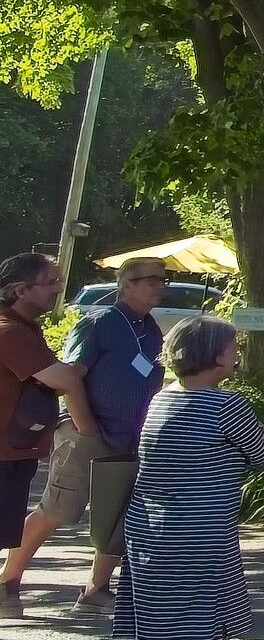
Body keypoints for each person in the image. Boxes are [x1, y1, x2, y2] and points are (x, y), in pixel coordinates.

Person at [115, 317, 264, 640]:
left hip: (147, 531)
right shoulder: (227, 407)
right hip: (202, 534)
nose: (236, 352)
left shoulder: (160, 401)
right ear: (216, 356)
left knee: (156, 634)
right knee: (208, 631)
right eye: (232, 346)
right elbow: (260, 455)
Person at [57, 256, 168, 614]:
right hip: (88, 433)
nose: (159, 286)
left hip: (130, 436)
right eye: (150, 279)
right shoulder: (99, 321)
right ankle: (9, 580)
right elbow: (71, 374)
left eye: (162, 279)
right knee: (58, 510)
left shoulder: (149, 328)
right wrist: (85, 425)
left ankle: (96, 588)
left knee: (119, 514)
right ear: (126, 285)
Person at [0, 251, 90, 620]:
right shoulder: (10, 331)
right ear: (21, 289)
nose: (58, 290)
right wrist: (88, 427)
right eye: (51, 282)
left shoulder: (25, 329)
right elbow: (64, 378)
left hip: (13, 452)